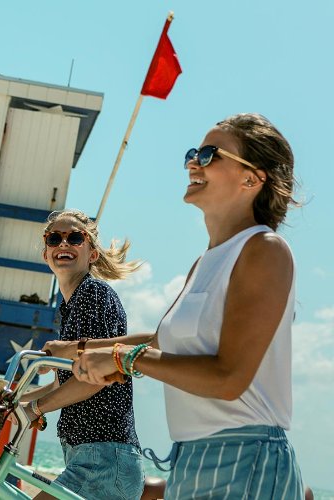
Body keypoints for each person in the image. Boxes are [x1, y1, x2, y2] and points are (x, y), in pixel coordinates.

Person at [62, 113, 306, 498]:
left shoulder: (264, 251)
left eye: (210, 154)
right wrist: (82, 348)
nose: (193, 162)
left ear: (251, 178)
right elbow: (164, 341)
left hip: (246, 460)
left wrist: (123, 358)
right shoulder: (207, 261)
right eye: (193, 153)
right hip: (191, 460)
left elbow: (228, 380)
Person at [21, 208, 145, 500]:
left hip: (101, 458)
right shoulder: (73, 305)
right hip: (94, 455)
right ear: (46, 254)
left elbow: (95, 379)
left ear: (92, 254)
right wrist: (15, 398)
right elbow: (69, 380)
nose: (63, 244)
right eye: (54, 238)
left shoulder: (93, 295)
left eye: (75, 237)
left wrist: (36, 409)